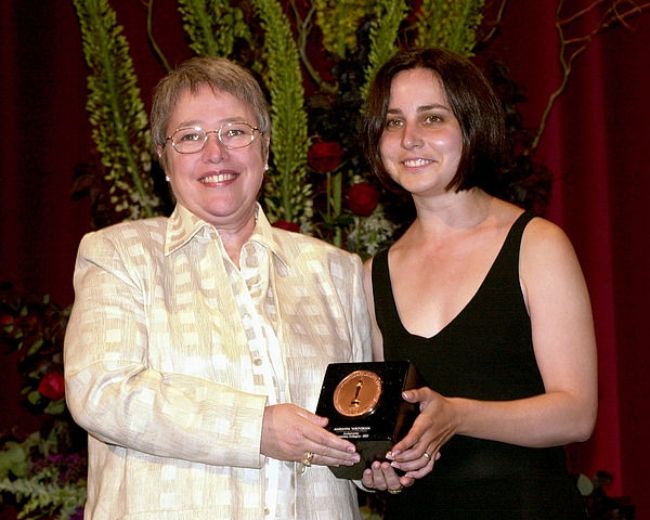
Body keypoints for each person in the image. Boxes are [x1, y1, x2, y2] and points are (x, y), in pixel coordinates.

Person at [63, 56, 372, 520]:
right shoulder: (119, 255)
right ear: (163, 160)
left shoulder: (336, 270)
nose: (215, 153)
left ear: (265, 149)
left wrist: (380, 461)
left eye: (235, 131)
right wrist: (255, 428)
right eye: (189, 136)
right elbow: (102, 391)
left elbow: (359, 418)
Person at [358, 48, 598, 518]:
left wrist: (459, 415)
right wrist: (381, 466)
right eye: (393, 122)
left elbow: (576, 413)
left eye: (431, 119)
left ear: (472, 126)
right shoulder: (374, 273)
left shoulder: (536, 245)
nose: (409, 139)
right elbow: (390, 422)